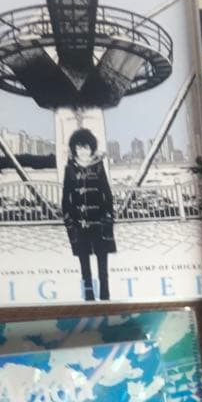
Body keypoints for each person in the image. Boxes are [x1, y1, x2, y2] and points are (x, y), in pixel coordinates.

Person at [61, 129, 116, 302]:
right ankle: (89, 298)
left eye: (86, 147)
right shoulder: (70, 169)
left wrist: (108, 216)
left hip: (99, 223)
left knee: (102, 266)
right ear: (74, 149)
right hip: (80, 224)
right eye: (79, 147)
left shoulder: (98, 167)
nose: (82, 151)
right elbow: (66, 197)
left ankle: (105, 298)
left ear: (91, 148)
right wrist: (69, 220)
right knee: (84, 267)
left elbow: (107, 193)